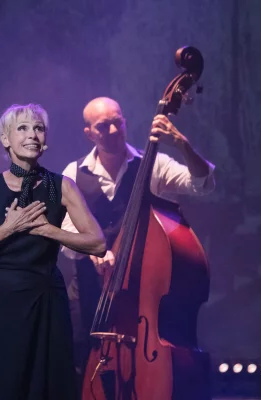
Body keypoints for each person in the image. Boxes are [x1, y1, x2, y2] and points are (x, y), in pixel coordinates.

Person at [0, 103, 106, 400]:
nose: (32, 135)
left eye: (38, 128)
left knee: (47, 383)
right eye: (23, 128)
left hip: (46, 295)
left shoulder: (61, 186)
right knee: (0, 381)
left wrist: (48, 230)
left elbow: (98, 243)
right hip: (5, 297)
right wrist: (9, 228)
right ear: (5, 138)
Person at [60, 96, 216, 377]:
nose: (113, 131)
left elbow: (202, 184)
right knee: (82, 366)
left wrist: (182, 144)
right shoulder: (73, 172)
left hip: (140, 292)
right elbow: (67, 231)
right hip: (89, 291)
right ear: (89, 133)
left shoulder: (152, 164)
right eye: (103, 126)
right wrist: (94, 250)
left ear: (125, 122)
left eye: (117, 123)